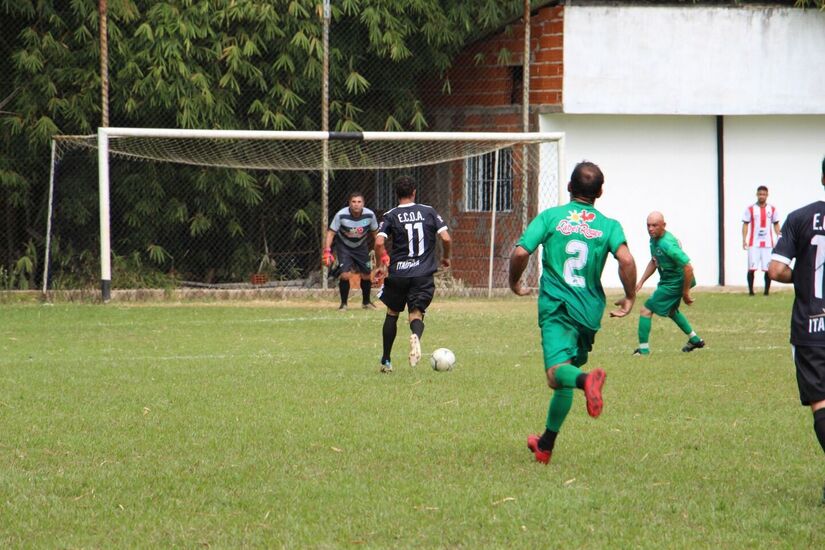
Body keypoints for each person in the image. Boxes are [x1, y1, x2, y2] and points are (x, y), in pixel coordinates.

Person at [509, 161, 637, 464]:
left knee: (558, 375)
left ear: (569, 187)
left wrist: (514, 282)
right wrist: (630, 296)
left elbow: (520, 252)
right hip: (589, 312)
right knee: (563, 371)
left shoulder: (551, 217)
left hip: (558, 307)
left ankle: (586, 381)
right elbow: (627, 260)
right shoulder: (609, 225)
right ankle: (545, 445)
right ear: (600, 192)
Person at [767, 156, 825, 503]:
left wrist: (800, 277)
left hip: (812, 326)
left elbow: (774, 270)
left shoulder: (801, 218)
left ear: (822, 177)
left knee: (821, 405)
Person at [373, 176, 451, 373]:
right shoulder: (428, 211)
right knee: (416, 314)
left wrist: (379, 265)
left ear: (396, 194)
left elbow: (379, 242)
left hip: (399, 273)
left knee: (392, 313)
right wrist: (446, 258)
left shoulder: (391, 215)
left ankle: (386, 361)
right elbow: (446, 238)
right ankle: (415, 336)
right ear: (414, 192)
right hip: (423, 273)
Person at [633, 212, 705, 356]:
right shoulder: (653, 240)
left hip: (675, 282)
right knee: (672, 311)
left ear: (663, 226)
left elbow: (688, 267)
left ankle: (644, 350)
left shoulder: (667, 244)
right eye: (648, 225)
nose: (650, 229)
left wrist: (685, 292)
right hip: (668, 281)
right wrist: (641, 281)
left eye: (654, 225)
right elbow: (654, 261)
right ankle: (695, 339)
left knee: (646, 310)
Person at [322, 191, 379, 310]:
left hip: (361, 247)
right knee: (345, 275)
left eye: (359, 202)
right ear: (349, 203)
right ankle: (343, 304)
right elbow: (331, 233)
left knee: (367, 275)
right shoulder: (341, 215)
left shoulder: (370, 215)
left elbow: (375, 233)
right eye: (353, 202)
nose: (356, 204)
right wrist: (327, 251)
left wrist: (379, 251)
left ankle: (366, 302)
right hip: (344, 247)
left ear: (363, 203)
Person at [742, 186, 781, 296]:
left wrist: (780, 237)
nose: (762, 196)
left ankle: (766, 292)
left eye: (764, 194)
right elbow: (745, 224)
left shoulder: (772, 209)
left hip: (768, 244)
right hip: (754, 243)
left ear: (767, 195)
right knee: (751, 268)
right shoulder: (750, 209)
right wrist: (744, 240)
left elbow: (776, 224)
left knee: (767, 269)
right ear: (757, 195)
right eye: (760, 194)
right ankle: (751, 292)